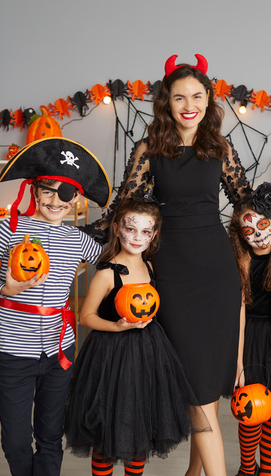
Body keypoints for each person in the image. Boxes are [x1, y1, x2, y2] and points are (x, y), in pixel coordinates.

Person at [83, 54, 251, 476]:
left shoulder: (220, 148)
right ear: (167, 102)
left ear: (209, 100)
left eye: (197, 95)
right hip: (172, 272)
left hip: (217, 272)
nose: (188, 104)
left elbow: (245, 203)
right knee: (194, 387)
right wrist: (73, 240)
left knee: (207, 389)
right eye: (179, 97)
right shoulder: (150, 149)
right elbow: (124, 206)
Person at [0, 137, 110, 476]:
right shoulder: (12, 229)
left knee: (50, 434)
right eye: (48, 190)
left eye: (65, 193)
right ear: (35, 191)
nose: (55, 200)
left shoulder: (79, 240)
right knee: (15, 437)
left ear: (76, 199)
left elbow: (115, 266)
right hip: (16, 349)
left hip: (59, 350)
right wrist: (4, 286)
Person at [64, 197, 206, 476]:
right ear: (116, 229)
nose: (136, 237)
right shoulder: (107, 272)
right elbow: (85, 317)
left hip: (147, 353)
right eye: (130, 229)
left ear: (153, 235)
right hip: (111, 356)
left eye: (145, 231)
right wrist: (116, 326)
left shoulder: (150, 267)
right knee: (107, 428)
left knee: (139, 425)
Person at [227, 183, 271, 476]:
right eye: (248, 231)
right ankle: (246, 468)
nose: (258, 235)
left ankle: (267, 471)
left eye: (263, 226)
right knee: (249, 409)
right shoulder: (242, 260)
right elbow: (239, 311)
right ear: (240, 234)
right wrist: (238, 363)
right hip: (251, 336)